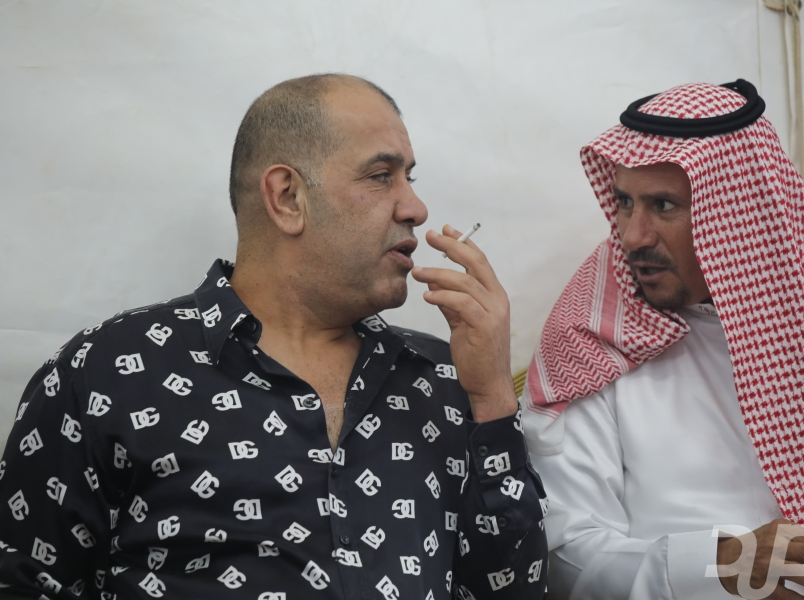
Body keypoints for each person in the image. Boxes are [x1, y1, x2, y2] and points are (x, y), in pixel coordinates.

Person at [0, 74, 548, 599]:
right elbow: (24, 582)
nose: (416, 208)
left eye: (410, 178)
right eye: (382, 176)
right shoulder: (109, 373)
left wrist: (491, 399)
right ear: (287, 197)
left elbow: (513, 590)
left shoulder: (445, 380)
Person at [522, 80, 804, 599]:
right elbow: (566, 557)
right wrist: (714, 565)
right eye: (625, 202)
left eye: (664, 205)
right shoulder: (593, 341)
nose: (632, 235)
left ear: (736, 212)